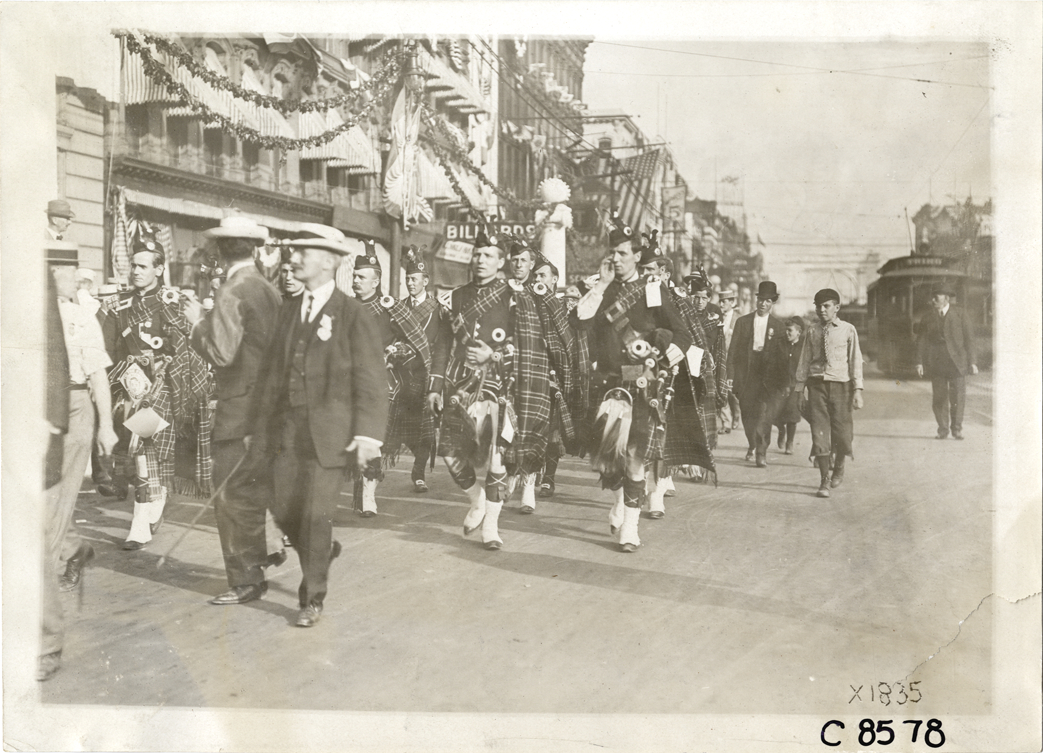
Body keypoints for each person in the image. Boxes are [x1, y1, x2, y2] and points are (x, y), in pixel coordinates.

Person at [246, 232, 387, 627]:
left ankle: (312, 598)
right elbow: (270, 375)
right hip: (287, 432)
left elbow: (372, 377)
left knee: (315, 514)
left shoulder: (352, 313)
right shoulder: (288, 310)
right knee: (281, 506)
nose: (294, 259)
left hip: (330, 434)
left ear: (328, 261)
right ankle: (322, 552)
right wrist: (255, 427)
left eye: (303, 253)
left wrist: (368, 435)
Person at [570, 212, 692, 551]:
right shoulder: (601, 288)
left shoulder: (652, 290)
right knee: (610, 462)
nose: (616, 258)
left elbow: (682, 334)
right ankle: (619, 503)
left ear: (637, 255)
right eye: (613, 252)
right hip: (607, 385)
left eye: (623, 253)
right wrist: (601, 285)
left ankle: (630, 529)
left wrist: (663, 359)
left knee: (636, 459)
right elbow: (578, 322)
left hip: (641, 384)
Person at [427, 227, 555, 549]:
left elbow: (528, 345)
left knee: (497, 458)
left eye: (488, 255)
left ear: (500, 262)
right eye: (477, 254)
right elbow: (442, 345)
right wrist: (435, 386)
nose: (480, 260)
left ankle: (492, 527)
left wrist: (494, 355)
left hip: (500, 385)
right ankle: (476, 500)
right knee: (449, 452)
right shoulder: (455, 297)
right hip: (461, 386)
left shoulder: (515, 297)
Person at [186, 216, 284, 606]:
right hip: (269, 405)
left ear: (221, 251)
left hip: (238, 408)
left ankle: (245, 579)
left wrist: (196, 324)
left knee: (229, 494)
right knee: (253, 487)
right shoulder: (268, 289)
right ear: (253, 248)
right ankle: (262, 556)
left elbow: (221, 353)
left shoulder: (231, 291)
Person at [108, 238, 214, 549]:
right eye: (133, 265)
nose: (136, 271)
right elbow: (108, 349)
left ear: (159, 269)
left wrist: (169, 371)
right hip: (128, 388)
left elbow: (193, 347)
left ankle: (140, 522)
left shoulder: (174, 302)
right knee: (143, 452)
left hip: (166, 386)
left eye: (143, 266)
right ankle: (157, 496)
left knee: (144, 450)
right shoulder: (119, 304)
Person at [350, 243, 431, 515]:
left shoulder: (390, 308)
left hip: (380, 384)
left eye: (361, 277)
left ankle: (368, 494)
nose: (355, 281)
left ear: (375, 281)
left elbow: (416, 343)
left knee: (373, 439)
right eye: (354, 276)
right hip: (345, 381)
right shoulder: (344, 307)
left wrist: (394, 351)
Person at [794, 288, 864, 498]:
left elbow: (855, 360)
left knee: (842, 432)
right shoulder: (812, 331)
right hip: (816, 385)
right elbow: (804, 360)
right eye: (818, 306)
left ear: (837, 307)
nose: (821, 310)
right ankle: (824, 479)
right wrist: (799, 389)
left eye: (826, 306)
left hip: (841, 385)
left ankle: (839, 465)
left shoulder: (848, 330)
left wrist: (858, 390)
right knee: (820, 433)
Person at [523, 252, 578, 506]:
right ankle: (530, 475)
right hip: (532, 370)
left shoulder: (562, 307)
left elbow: (569, 342)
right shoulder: (528, 302)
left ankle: (549, 477)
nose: (538, 280)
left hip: (558, 373)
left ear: (554, 279)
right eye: (535, 276)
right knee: (533, 426)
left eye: (543, 275)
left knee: (553, 429)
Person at [727, 280, 785, 466]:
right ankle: (752, 443)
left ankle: (761, 451)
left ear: (772, 303)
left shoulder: (778, 326)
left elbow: (782, 357)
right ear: (756, 300)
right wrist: (730, 376)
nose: (763, 304)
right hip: (746, 374)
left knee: (763, 414)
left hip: (767, 376)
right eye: (761, 299)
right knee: (747, 413)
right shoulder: (742, 322)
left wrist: (782, 381)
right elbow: (732, 351)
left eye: (768, 301)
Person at [401, 246, 442, 492]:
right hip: (402, 375)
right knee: (402, 426)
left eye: (414, 279)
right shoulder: (399, 307)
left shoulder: (437, 308)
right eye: (407, 279)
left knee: (426, 428)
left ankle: (418, 473)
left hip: (426, 374)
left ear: (425, 281)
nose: (410, 283)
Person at [916, 286, 978, 440]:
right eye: (932, 297)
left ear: (946, 299)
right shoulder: (927, 317)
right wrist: (919, 362)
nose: (933, 300)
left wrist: (973, 362)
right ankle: (943, 430)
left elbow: (970, 339)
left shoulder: (960, 314)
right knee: (939, 398)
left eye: (936, 297)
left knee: (958, 398)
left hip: (957, 363)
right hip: (937, 363)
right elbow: (921, 341)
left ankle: (957, 429)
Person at [774, 316, 806, 455]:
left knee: (792, 415)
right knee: (776, 414)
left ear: (798, 332)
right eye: (786, 330)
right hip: (780, 384)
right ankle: (781, 431)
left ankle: (790, 442)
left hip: (795, 385)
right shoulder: (780, 344)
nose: (787, 333)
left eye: (790, 330)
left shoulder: (804, 346)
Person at [717, 288, 741, 434]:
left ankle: (736, 414)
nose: (721, 304)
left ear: (732, 302)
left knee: (733, 391)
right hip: (719, 358)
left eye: (724, 301)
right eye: (720, 301)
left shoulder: (739, 319)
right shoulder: (717, 317)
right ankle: (726, 422)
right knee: (721, 389)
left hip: (734, 360)